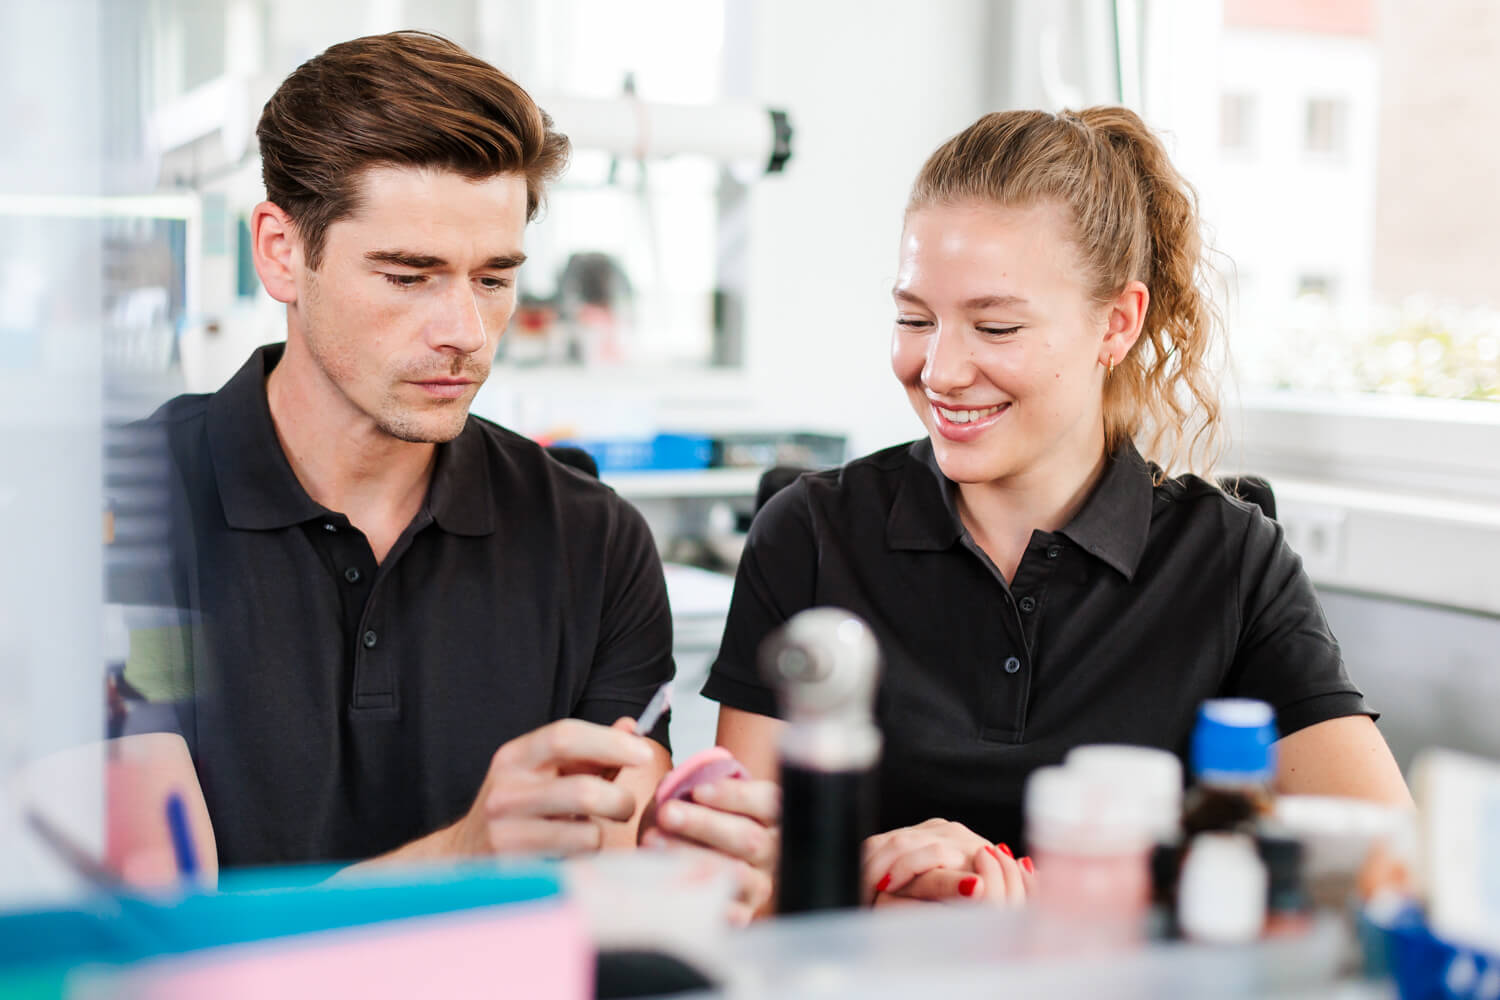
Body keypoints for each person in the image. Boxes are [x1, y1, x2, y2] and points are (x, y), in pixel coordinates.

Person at [112, 31, 776, 919]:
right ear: (280, 251)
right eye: (409, 276)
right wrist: (467, 855)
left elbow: (609, 877)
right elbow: (152, 938)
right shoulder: (117, 510)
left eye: (494, 278)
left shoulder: (592, 541)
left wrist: (683, 865)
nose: (464, 329)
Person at [701, 107, 1410, 908]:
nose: (939, 369)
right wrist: (860, 879)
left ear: (1117, 323)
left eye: (995, 325)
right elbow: (734, 878)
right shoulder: (811, 532)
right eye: (914, 318)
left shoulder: (1231, 562)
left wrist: (1063, 894)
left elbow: (1387, 865)